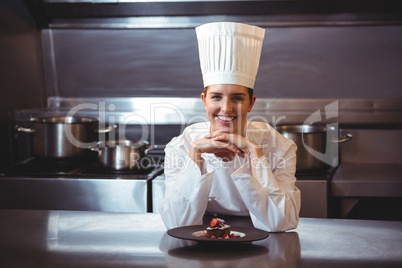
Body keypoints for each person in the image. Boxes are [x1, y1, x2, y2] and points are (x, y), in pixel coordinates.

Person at [159, 22, 301, 232]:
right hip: (203, 238)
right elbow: (177, 224)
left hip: (263, 239)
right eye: (216, 97)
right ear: (204, 100)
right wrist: (195, 155)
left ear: (251, 103)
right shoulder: (182, 146)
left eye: (237, 98)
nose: (226, 108)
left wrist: (255, 153)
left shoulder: (280, 147)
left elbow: (282, 222)